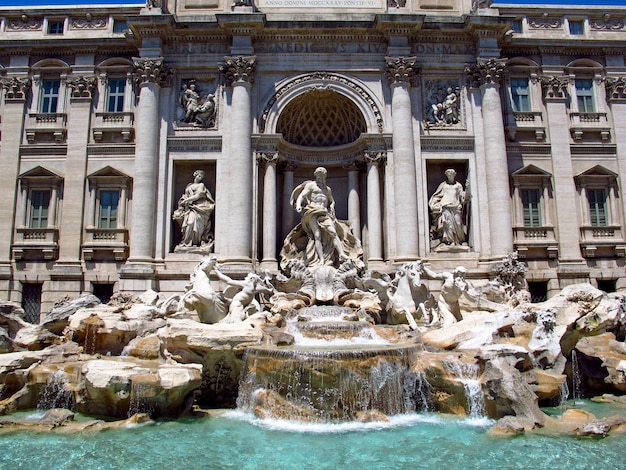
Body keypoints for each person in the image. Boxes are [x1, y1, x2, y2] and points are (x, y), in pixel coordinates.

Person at [291, 167, 350, 266]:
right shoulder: (311, 186)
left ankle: (342, 254)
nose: (320, 178)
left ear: (324, 177)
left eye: (322, 176)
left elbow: (332, 201)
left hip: (324, 212)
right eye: (318, 175)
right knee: (317, 236)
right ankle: (321, 260)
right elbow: (302, 195)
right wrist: (298, 205)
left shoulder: (327, 189)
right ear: (315, 175)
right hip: (312, 211)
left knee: (333, 232)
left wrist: (332, 206)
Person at [173, 170, 215, 248]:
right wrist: (183, 202)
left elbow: (198, 195)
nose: (200, 178)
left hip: (199, 208)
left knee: (191, 223)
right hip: (189, 208)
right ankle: (187, 242)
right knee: (189, 223)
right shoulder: (189, 186)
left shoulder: (201, 185)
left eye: (201, 177)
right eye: (199, 176)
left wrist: (187, 200)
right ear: (195, 175)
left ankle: (193, 242)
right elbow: (185, 196)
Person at [429, 169, 469, 246]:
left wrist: (467, 189)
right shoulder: (443, 185)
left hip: (456, 207)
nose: (450, 175)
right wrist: (434, 203)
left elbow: (463, 197)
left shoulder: (458, 185)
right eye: (448, 174)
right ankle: (450, 242)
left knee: (458, 223)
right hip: (445, 206)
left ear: (454, 175)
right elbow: (437, 195)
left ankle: (459, 240)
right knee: (448, 225)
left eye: (451, 174)